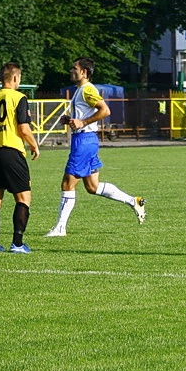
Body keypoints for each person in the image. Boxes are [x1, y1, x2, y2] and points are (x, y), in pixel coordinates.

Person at [46, 57, 146, 237]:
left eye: (74, 68)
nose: (71, 70)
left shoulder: (87, 89)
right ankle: (133, 201)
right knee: (92, 187)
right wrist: (70, 120)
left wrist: (83, 122)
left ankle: (60, 228)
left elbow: (105, 110)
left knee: (67, 184)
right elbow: (86, 114)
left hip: (84, 141)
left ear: (84, 72)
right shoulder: (80, 90)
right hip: (86, 140)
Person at [0, 62, 40, 253]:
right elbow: (23, 128)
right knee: (23, 198)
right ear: (15, 78)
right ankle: (17, 243)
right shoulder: (18, 97)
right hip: (11, 150)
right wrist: (34, 145)